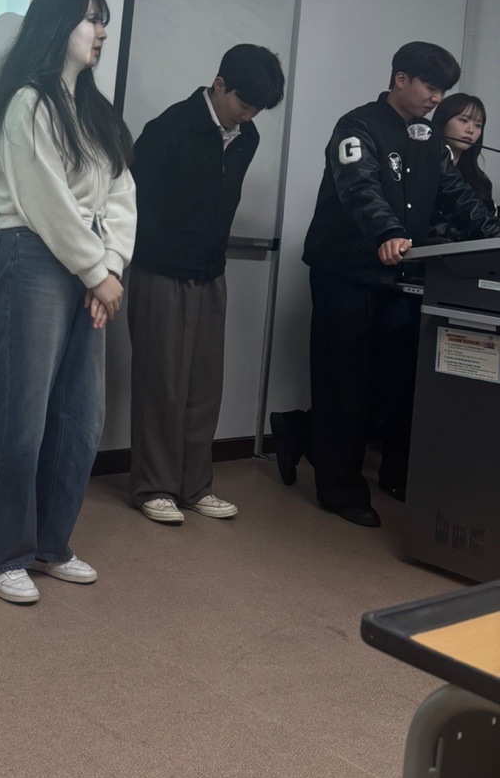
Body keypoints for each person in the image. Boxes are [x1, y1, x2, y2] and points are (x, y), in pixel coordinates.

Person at [271, 43, 500, 528]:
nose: (437, 99)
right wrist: (388, 232)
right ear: (401, 79)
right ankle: (340, 490)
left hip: (398, 278)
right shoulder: (357, 126)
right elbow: (360, 188)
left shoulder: (428, 138)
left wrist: (494, 236)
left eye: (443, 91)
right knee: (344, 385)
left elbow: (457, 195)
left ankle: (307, 436)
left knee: (389, 386)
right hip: (347, 274)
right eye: (430, 88)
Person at [0, 0, 137, 604]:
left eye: (103, 22)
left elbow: (121, 195)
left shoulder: (94, 110)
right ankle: (0, 552)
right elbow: (45, 200)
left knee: (80, 416)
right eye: (92, 20)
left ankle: (48, 544)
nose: (101, 32)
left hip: (89, 265)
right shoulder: (27, 102)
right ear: (58, 24)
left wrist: (108, 264)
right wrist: (99, 272)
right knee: (24, 414)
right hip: (34, 257)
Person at [128, 44, 286, 525]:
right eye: (243, 104)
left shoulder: (246, 136)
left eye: (257, 110)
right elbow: (130, 202)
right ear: (219, 85)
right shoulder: (168, 128)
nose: (248, 116)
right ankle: (155, 486)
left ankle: (195, 486)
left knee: (203, 386)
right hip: (160, 270)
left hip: (211, 271)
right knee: (161, 383)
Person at [434, 93, 495, 212]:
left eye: (478, 125)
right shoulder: (422, 168)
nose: (471, 130)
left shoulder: (480, 181)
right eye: (463, 120)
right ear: (443, 120)